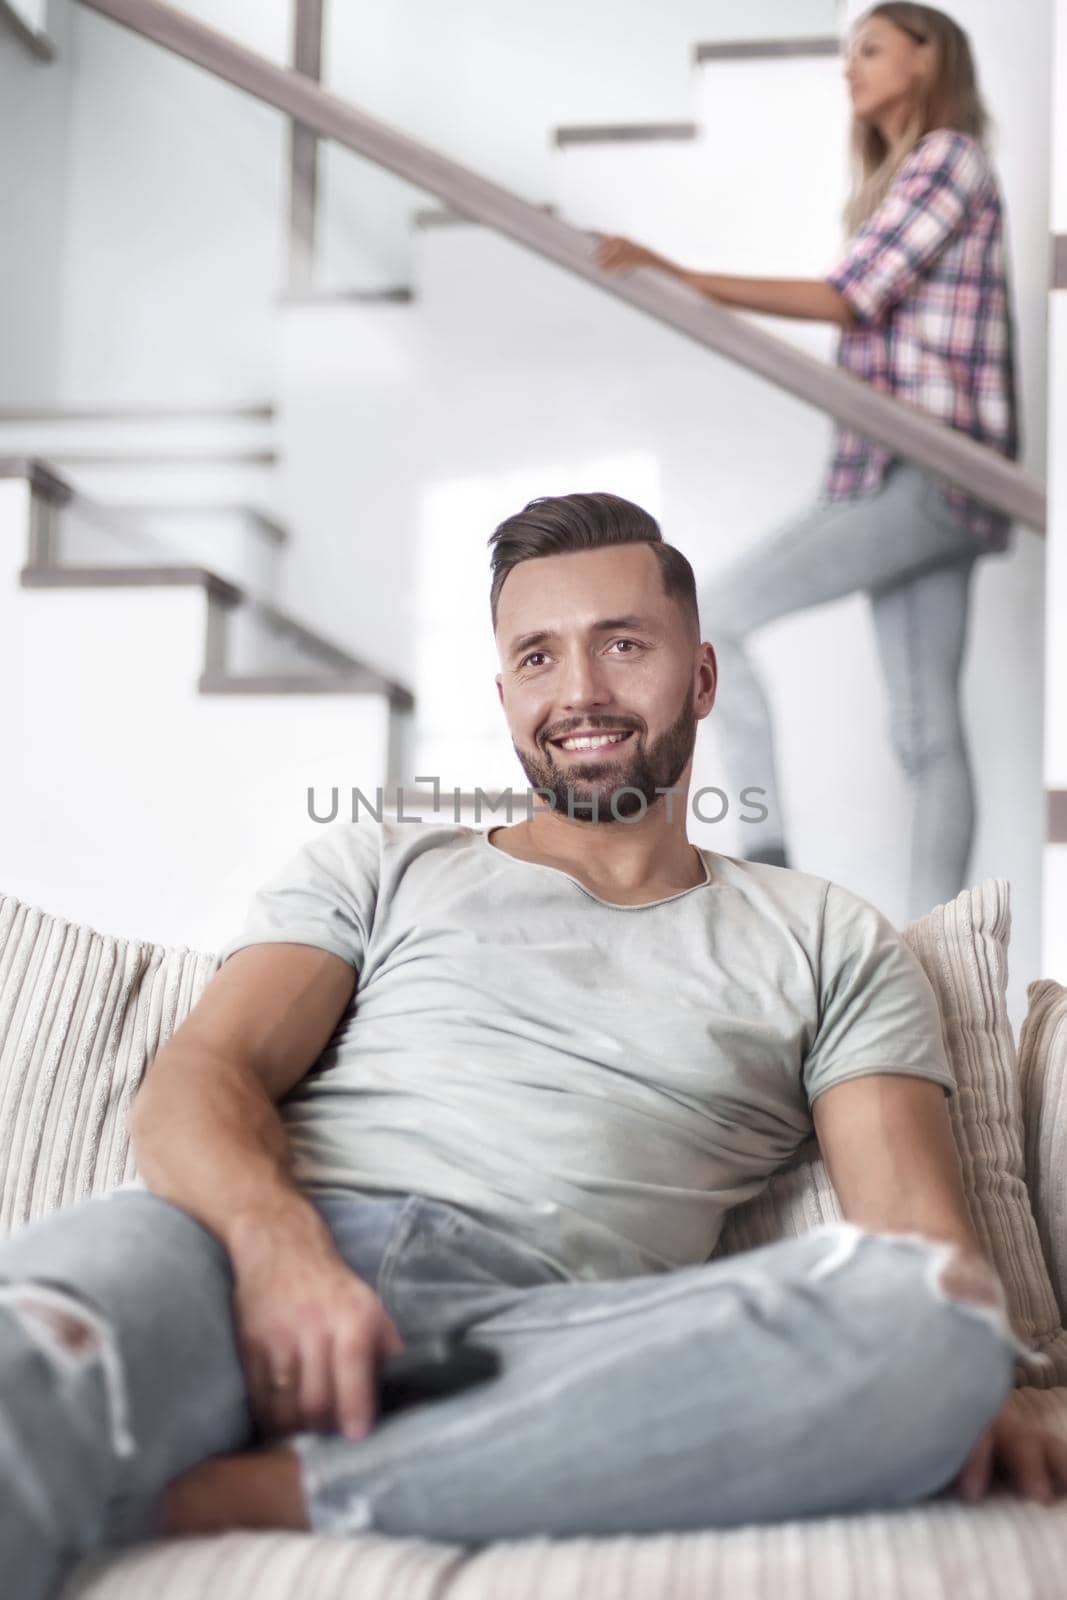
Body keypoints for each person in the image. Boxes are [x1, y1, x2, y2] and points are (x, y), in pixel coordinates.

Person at [2, 491, 1063, 1597]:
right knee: (26, 1353)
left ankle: (270, 1490)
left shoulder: (827, 938)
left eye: (621, 645)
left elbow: (921, 1249)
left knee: (930, 1320)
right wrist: (280, 1251)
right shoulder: (382, 862)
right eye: (538, 657)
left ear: (700, 677)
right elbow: (199, 1078)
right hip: (230, 1260)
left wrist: (952, 1377)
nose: (580, 694)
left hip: (552, 1330)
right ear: (504, 692)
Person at [594, 3, 1020, 919]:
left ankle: (766, 849)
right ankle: (939, 939)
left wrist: (684, 273)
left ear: (925, 55)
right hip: (920, 480)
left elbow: (850, 297)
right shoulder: (906, 176)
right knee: (924, 729)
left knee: (718, 612)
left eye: (869, 49)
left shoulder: (947, 157)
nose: (850, 69)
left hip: (926, 473)